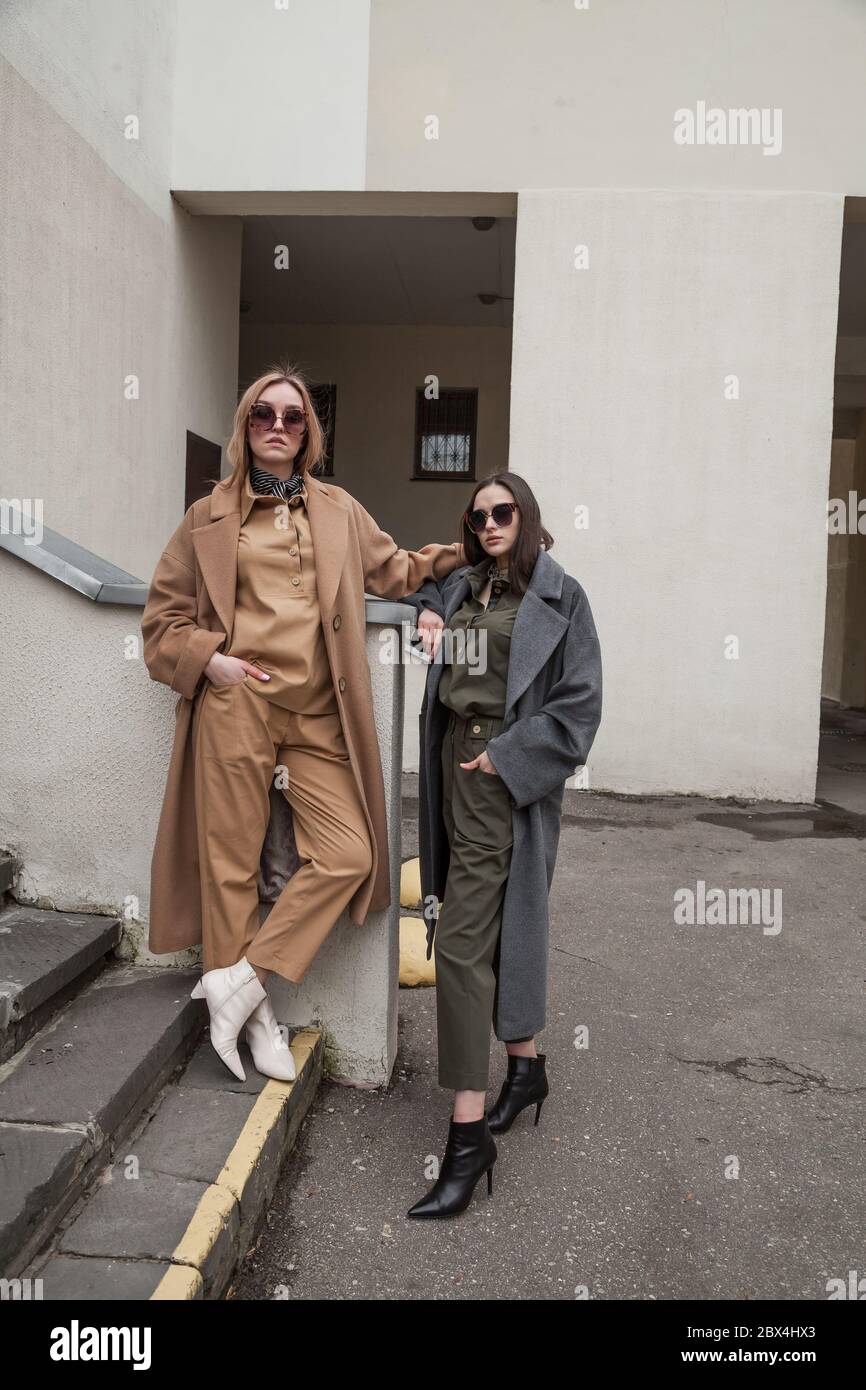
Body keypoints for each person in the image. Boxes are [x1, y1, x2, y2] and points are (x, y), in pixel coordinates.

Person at [140, 363, 466, 1083]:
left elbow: (400, 570)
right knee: (231, 866)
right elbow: (160, 625)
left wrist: (474, 553)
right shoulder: (208, 518)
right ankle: (255, 1024)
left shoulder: (339, 510)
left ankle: (239, 983)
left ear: (309, 433)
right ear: (244, 427)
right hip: (237, 705)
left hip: (320, 713)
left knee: (350, 854)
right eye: (263, 415)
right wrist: (213, 662)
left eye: (292, 416)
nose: (278, 427)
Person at [401, 472, 602, 1218]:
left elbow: (580, 707)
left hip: (502, 774)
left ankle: (466, 1138)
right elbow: (427, 584)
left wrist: (508, 760)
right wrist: (425, 610)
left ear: (527, 516)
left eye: (503, 512)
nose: (489, 523)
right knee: (486, 927)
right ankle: (526, 1069)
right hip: (454, 763)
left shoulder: (560, 597)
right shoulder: (468, 586)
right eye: (478, 514)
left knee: (457, 943)